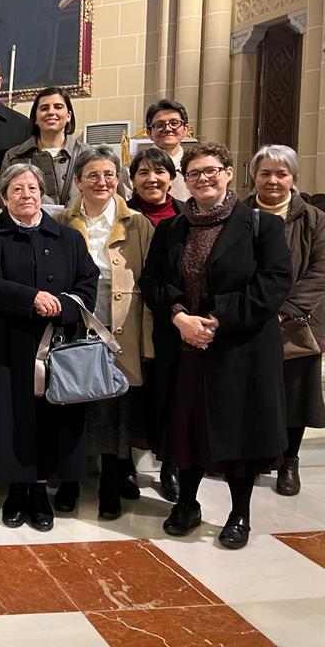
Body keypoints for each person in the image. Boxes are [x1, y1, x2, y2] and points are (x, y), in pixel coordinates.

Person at [139, 142, 291, 550]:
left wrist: (216, 321)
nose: (204, 179)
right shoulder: (172, 229)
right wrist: (178, 316)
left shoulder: (261, 226)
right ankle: (187, 505)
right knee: (188, 430)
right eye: (194, 173)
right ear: (184, 181)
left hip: (240, 350)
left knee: (238, 433)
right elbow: (152, 281)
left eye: (211, 170)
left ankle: (239, 513)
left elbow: (273, 285)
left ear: (228, 173)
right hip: (185, 347)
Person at [0, 163, 98, 532]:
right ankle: (16, 489)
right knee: (11, 417)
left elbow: (88, 285)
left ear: (44, 195)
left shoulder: (68, 238)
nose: (27, 195)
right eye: (17, 189)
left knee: (51, 420)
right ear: (4, 198)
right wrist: (30, 298)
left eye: (33, 188)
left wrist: (62, 305)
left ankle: (41, 492)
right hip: (7, 344)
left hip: (57, 345)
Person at [53, 145, 154, 520]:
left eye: (109, 174)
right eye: (92, 175)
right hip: (76, 327)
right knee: (71, 405)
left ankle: (111, 482)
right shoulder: (63, 221)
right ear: (77, 181)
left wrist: (145, 340)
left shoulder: (138, 223)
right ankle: (69, 481)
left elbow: (150, 280)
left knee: (117, 409)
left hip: (121, 329)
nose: (102, 181)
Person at [243, 145, 325, 496]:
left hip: (297, 322)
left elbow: (321, 271)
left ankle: (289, 461)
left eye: (281, 173)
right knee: (252, 390)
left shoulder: (313, 218)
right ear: (254, 176)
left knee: (294, 393)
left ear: (293, 178)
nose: (273, 180)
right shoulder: (240, 213)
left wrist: (284, 309)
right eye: (265, 173)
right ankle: (260, 454)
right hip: (247, 317)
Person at [125, 146, 185, 501]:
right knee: (135, 393)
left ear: (172, 178)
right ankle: (126, 465)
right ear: (132, 180)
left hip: (171, 317)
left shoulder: (185, 217)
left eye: (159, 172)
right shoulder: (124, 214)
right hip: (131, 316)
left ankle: (171, 465)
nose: (152, 179)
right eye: (143, 173)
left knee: (172, 393)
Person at [1, 87, 85, 207]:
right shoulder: (13, 156)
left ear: (68, 116)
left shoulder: (87, 155)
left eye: (58, 107)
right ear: (35, 118)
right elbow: (4, 200)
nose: (51, 112)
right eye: (44, 108)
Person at [121, 100, 192, 201]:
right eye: (159, 125)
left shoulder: (195, 168)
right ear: (149, 133)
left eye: (174, 123)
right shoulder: (130, 170)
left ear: (185, 129)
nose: (168, 129)